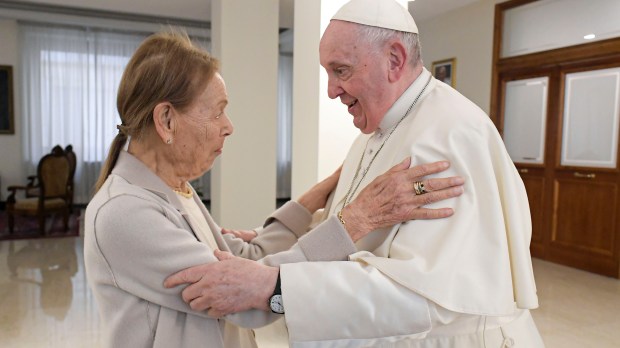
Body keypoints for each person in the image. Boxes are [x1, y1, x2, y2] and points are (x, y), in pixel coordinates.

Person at [164, 0, 545, 347]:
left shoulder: (450, 135)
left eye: (340, 71)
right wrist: (282, 242)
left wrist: (273, 285)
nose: (331, 91)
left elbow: (429, 295)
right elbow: (366, 236)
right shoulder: (374, 131)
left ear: (394, 59)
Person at [84, 30, 465, 348]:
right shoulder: (125, 212)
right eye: (217, 111)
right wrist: (354, 221)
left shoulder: (174, 188)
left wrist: (318, 196)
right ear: (166, 119)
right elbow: (243, 298)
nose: (228, 126)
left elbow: (246, 257)